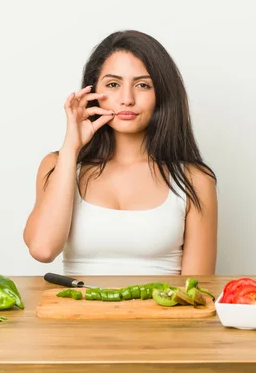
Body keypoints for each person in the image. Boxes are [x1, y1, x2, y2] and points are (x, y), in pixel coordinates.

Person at [23, 30, 218, 276]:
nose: (127, 99)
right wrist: (71, 148)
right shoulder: (58, 165)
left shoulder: (195, 180)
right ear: (92, 92)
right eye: (113, 84)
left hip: (163, 315)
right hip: (77, 313)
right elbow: (42, 249)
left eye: (143, 85)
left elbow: (197, 290)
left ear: (162, 94)